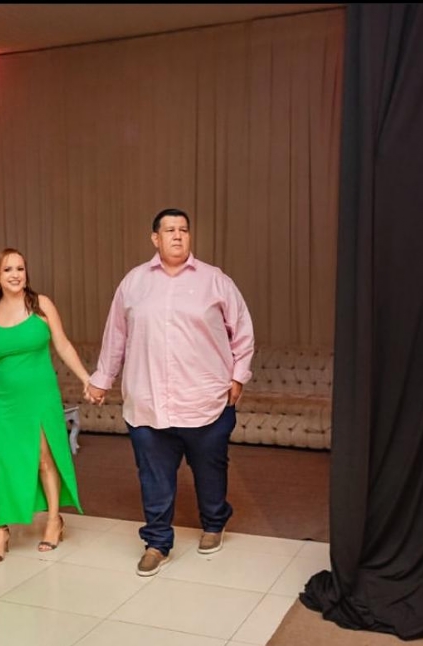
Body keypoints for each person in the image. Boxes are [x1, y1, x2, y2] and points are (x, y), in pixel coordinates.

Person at [87, 207, 255, 576]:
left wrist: (238, 377)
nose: (178, 235)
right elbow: (116, 335)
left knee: (210, 471)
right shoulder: (133, 283)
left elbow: (242, 331)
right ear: (155, 238)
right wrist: (102, 379)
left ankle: (214, 522)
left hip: (206, 401)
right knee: (154, 476)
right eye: (169, 230)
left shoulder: (215, 280)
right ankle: (157, 542)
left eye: (183, 230)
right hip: (148, 402)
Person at [0, 247, 92, 564]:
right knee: (4, 463)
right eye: (8, 270)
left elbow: (63, 345)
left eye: (20, 269)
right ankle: (1, 530)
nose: (15, 275)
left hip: (40, 396)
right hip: (3, 401)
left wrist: (86, 378)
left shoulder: (41, 305)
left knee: (43, 458)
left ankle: (54, 521)